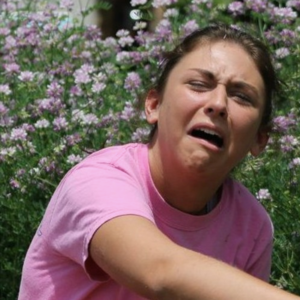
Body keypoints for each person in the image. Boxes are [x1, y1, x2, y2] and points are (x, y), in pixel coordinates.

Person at [18, 24, 300, 300]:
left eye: (241, 96)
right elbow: (158, 272)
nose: (218, 104)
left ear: (260, 140)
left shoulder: (251, 225)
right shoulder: (98, 180)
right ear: (154, 104)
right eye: (199, 84)